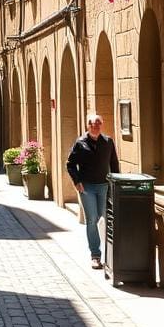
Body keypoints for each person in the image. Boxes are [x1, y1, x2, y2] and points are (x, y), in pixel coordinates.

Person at [66, 113, 120, 268]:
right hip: (87, 187)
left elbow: (114, 165)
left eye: (98, 123)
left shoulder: (108, 142)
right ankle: (95, 255)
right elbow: (70, 164)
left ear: (101, 125)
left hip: (104, 186)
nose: (95, 126)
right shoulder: (80, 143)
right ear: (87, 126)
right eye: (92, 124)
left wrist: (115, 184)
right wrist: (77, 181)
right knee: (92, 219)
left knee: (105, 218)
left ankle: (111, 255)